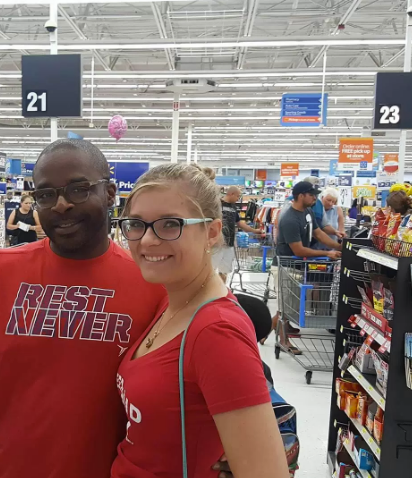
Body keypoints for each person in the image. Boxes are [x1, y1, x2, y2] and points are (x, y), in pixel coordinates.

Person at [0, 139, 230, 478]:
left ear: (111, 193)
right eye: (45, 194)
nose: (61, 204)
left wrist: (236, 446)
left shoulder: (154, 282)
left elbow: (209, 372)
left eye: (78, 189)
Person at [113, 163, 288, 478]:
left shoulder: (216, 332)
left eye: (169, 224)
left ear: (211, 232)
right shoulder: (171, 302)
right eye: (136, 224)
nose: (148, 240)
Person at [276, 181, 342, 260]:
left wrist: (339, 247)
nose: (314, 198)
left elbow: (318, 234)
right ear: (301, 196)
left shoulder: (308, 211)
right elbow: (299, 251)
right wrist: (327, 253)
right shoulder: (290, 220)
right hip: (287, 267)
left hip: (299, 265)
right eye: (311, 195)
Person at [214, 185, 262, 280]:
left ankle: (222, 291)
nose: (238, 199)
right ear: (231, 194)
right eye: (237, 196)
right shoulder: (217, 205)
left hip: (229, 244)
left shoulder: (233, 208)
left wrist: (255, 230)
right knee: (210, 271)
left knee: (224, 272)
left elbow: (240, 224)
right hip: (216, 244)